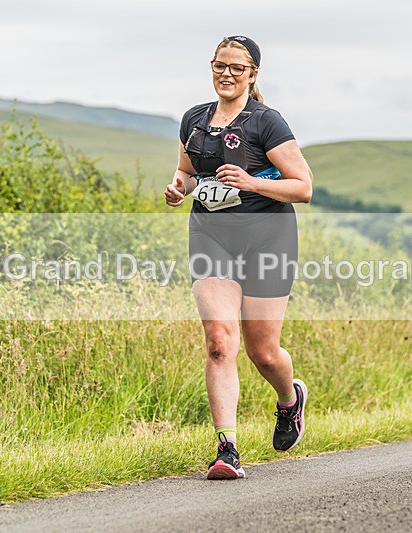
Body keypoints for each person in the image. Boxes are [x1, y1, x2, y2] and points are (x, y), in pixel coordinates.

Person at [165, 35, 313, 480]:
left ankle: (290, 401)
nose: (226, 74)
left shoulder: (266, 122)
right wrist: (178, 188)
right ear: (211, 68)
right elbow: (189, 171)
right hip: (212, 236)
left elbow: (303, 187)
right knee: (219, 343)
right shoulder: (194, 119)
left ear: (252, 74)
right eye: (219, 65)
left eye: (236, 67)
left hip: (268, 238)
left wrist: (251, 182)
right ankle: (226, 449)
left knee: (263, 353)